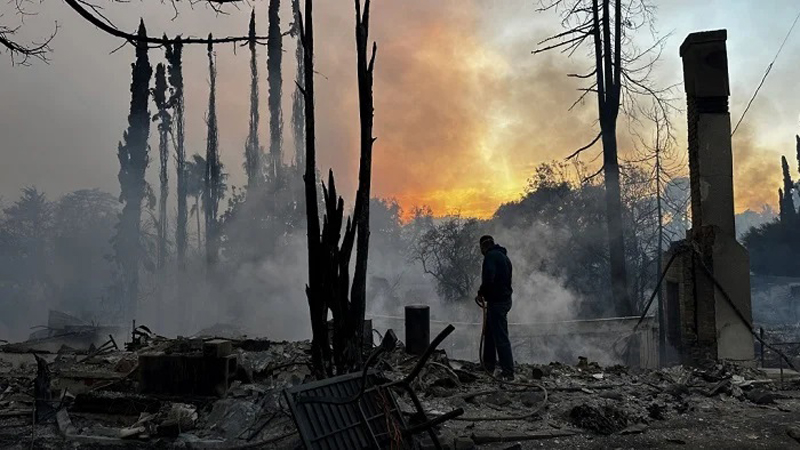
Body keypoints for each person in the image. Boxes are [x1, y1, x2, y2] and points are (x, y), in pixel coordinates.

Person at [476, 235, 515, 380]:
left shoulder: (490, 257)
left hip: (497, 302)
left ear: (483, 247)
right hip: (504, 300)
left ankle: (508, 372)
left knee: (500, 337)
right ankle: (488, 365)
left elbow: (488, 277)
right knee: (490, 334)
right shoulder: (504, 257)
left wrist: (481, 293)